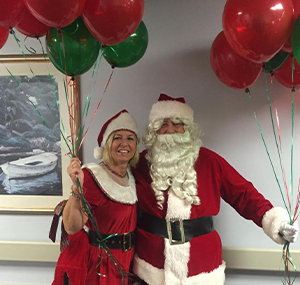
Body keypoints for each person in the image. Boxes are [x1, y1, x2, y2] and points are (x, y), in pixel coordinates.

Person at [132, 94, 299, 285]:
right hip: (151, 265)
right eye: (163, 124)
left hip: (201, 266)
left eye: (177, 123)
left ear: (188, 129)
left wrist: (274, 222)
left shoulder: (210, 161)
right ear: (154, 131)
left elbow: (243, 194)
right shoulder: (140, 164)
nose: (170, 130)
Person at [50, 109, 139, 285]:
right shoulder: (92, 176)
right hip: (100, 264)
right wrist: (76, 189)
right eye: (117, 138)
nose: (124, 143)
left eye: (130, 138)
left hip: (127, 259)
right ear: (106, 144)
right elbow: (72, 227)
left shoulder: (131, 176)